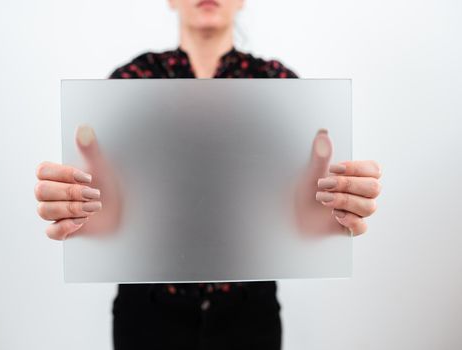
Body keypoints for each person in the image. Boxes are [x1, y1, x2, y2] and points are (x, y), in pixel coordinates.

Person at [34, 0, 382, 349]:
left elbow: (301, 211)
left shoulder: (277, 86)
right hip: (146, 315)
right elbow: (109, 204)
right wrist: (80, 212)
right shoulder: (132, 82)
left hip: (250, 316)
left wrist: (336, 210)